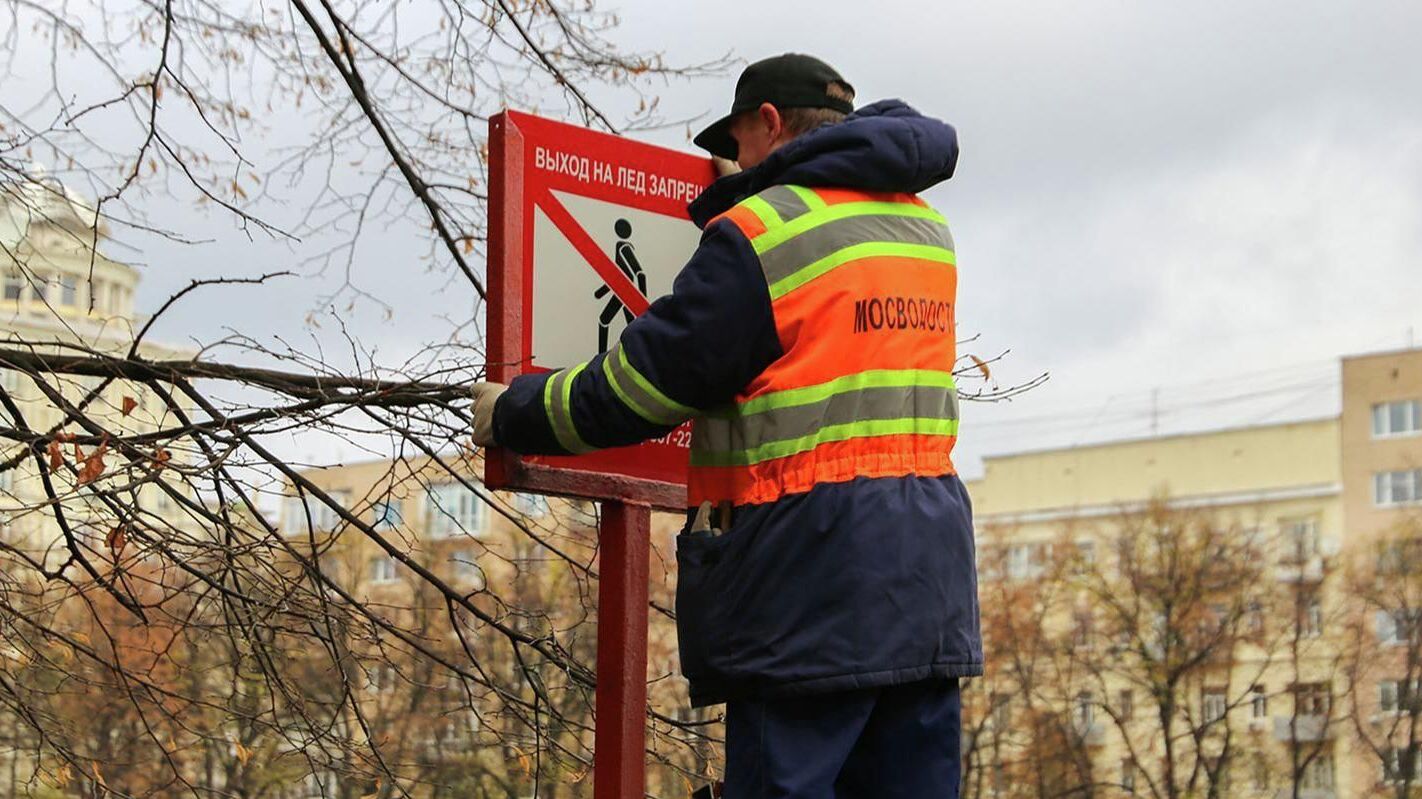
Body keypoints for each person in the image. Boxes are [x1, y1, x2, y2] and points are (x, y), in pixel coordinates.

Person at [470, 53, 979, 799]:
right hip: (927, 593)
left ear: (769, 123)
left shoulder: (765, 231)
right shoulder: (922, 230)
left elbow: (645, 383)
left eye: (737, 142)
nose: (731, 161)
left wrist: (517, 411)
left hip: (808, 588)